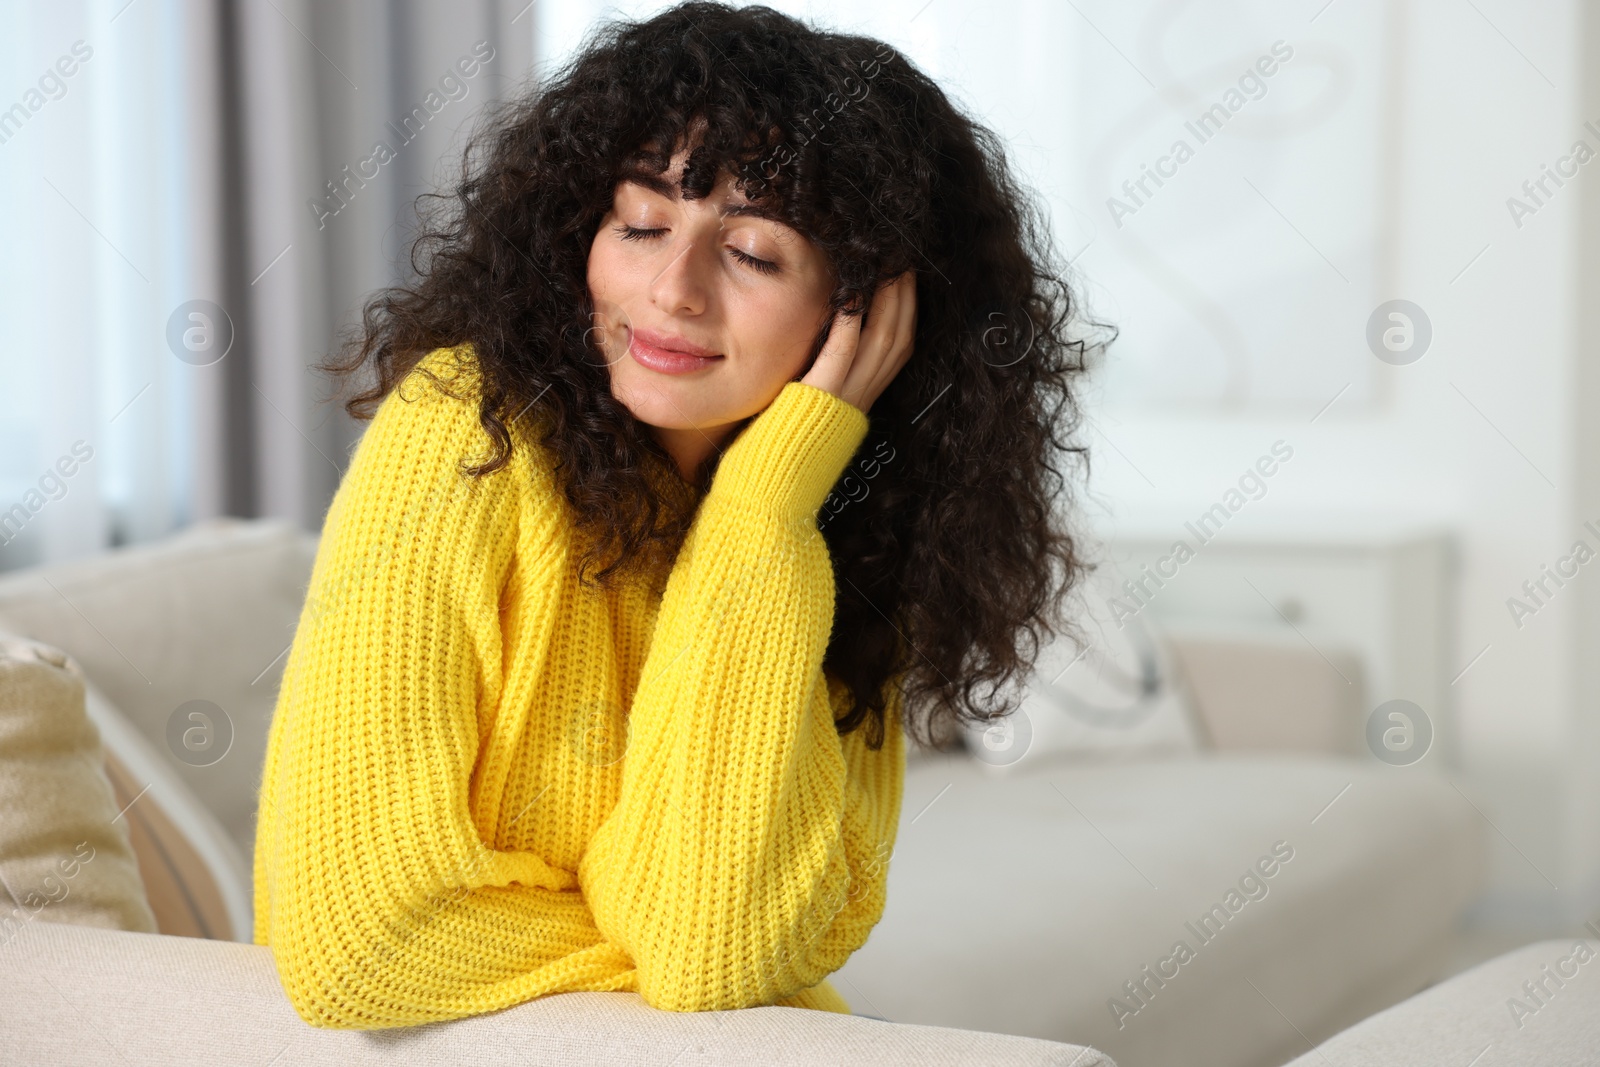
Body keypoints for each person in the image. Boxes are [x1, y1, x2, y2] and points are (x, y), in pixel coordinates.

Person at [253, 1, 1093, 1030]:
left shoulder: (849, 529)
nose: (672, 288)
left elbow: (707, 945)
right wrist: (655, 951)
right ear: (577, 230)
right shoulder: (461, 430)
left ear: (867, 315)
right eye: (642, 225)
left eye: (752, 253)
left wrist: (763, 506)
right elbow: (359, 947)